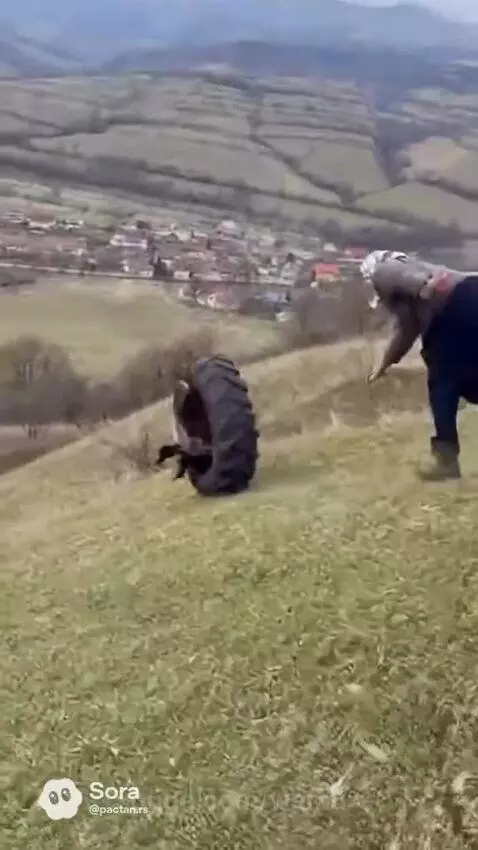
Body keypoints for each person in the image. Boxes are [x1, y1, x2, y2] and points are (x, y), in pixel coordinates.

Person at [361, 249, 478, 480]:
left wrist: (423, 286)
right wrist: (385, 364)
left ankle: (446, 463)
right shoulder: (417, 287)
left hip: (457, 303)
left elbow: (416, 281)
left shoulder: (385, 270)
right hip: (471, 293)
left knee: (443, 384)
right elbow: (407, 331)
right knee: (471, 383)